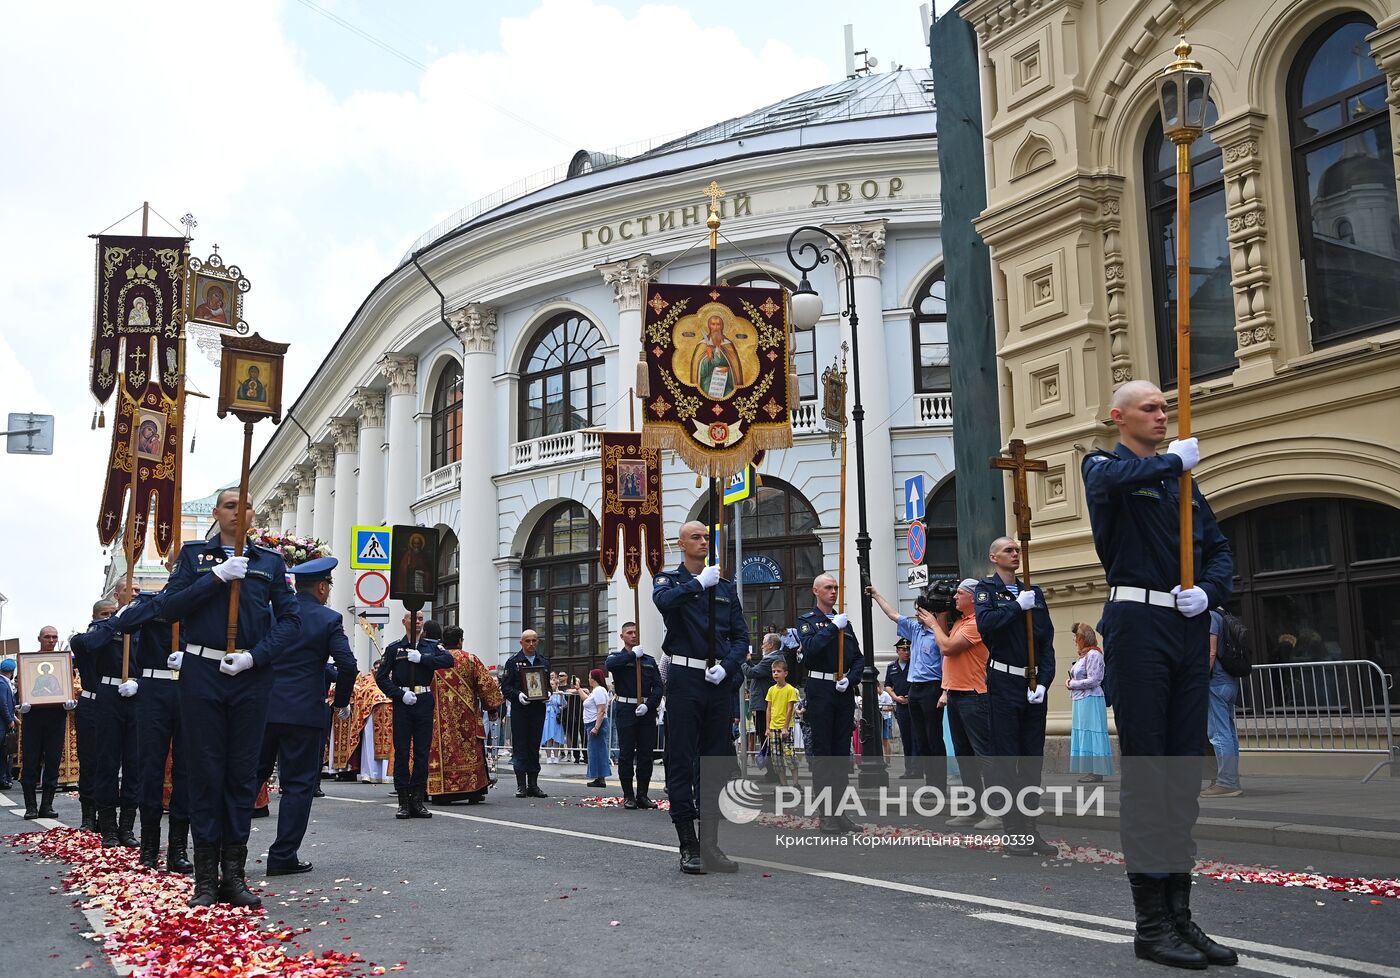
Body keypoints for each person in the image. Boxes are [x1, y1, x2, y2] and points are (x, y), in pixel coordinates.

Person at [1082, 379, 1237, 968]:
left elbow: (1220, 549)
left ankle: (1180, 915)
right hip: (1137, 628)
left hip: (1186, 626)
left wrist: (1210, 592)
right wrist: (1173, 460)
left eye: (1165, 407)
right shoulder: (1105, 466)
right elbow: (1109, 483)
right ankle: (1151, 925)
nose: (1162, 414)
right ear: (1119, 417)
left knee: (1180, 777)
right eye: (1150, 408)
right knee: (1150, 777)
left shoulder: (1183, 485)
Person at [103, 488, 300, 907]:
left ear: (252, 512)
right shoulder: (194, 558)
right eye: (229, 506)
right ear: (216, 513)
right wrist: (216, 578)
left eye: (244, 505)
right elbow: (169, 608)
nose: (237, 512)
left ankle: (234, 874)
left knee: (242, 775)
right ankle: (205, 878)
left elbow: (291, 621)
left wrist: (255, 656)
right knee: (205, 772)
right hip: (202, 673)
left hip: (250, 674)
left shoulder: (269, 561)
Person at [653, 520, 748, 874]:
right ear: (681, 544)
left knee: (714, 764)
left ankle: (710, 844)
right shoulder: (670, 580)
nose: (703, 541)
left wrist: (727, 666)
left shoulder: (724, 587)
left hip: (716, 680)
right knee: (680, 759)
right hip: (683, 678)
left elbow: (741, 637)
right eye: (696, 537)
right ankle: (687, 845)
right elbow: (663, 603)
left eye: (706, 536)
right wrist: (696, 584)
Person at [256, 557, 357, 875]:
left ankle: (225, 851)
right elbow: (348, 666)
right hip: (304, 712)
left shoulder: (270, 613)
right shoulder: (329, 619)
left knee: (248, 779)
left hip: (263, 709)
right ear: (323, 587)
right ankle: (283, 855)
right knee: (298, 785)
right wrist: (340, 703)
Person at [973, 538, 1057, 856]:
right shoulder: (987, 590)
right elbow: (987, 625)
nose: (1015, 554)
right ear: (993, 556)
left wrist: (1044, 682)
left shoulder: (1033, 592)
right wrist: (1015, 606)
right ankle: (1013, 831)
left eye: (1017, 550)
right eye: (1009, 550)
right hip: (1004, 681)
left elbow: (1046, 641)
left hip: (1032, 684)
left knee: (1032, 761)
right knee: (1007, 760)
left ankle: (1031, 830)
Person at [70, 581, 146, 850]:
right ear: (117, 595)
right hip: (108, 696)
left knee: (134, 766)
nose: (136, 594)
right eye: (131, 589)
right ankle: (109, 828)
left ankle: (127, 827)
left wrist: (141, 683)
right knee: (107, 764)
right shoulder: (105, 626)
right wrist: (118, 620)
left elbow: (154, 661)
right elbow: (87, 644)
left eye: (138, 590)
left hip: (136, 694)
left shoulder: (144, 625)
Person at [788, 573, 862, 833]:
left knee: (842, 755)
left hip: (842, 690)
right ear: (816, 591)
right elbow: (810, 650)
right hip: (819, 689)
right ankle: (826, 814)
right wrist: (832, 628)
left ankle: (840, 812)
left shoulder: (846, 624)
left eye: (836, 588)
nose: (833, 592)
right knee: (823, 754)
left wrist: (850, 679)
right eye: (828, 588)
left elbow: (859, 660)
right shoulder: (808, 622)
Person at [927, 580, 994, 829]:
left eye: (959, 594)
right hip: (956, 694)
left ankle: (997, 811)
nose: (954, 597)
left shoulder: (977, 623)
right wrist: (941, 618)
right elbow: (944, 641)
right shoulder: (961, 622)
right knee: (964, 755)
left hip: (974, 695)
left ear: (974, 598)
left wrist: (933, 623)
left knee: (984, 755)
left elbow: (946, 648)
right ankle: (974, 808)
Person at [867, 584, 946, 793]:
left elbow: (946, 663)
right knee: (921, 737)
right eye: (917, 611)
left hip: (932, 688)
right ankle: (930, 783)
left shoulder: (939, 634)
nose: (917, 615)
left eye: (922, 611)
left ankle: (940, 783)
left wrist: (945, 691)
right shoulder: (915, 630)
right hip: (915, 690)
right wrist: (876, 595)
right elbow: (893, 614)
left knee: (934, 737)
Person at [376, 612, 455, 819]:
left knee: (422, 751)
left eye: (420, 619)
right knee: (402, 751)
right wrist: (399, 694)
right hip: (404, 702)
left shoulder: (430, 646)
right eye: (413, 618)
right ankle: (403, 801)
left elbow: (448, 660)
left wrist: (423, 659)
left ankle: (418, 800)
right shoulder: (395, 648)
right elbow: (381, 678)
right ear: (404, 622)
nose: (417, 622)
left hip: (423, 700)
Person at [425, 624, 503, 804]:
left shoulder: (434, 659)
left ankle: (441, 792)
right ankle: (473, 790)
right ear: (460, 641)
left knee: (440, 750)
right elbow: (486, 686)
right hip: (466, 716)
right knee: (470, 751)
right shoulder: (470, 660)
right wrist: (492, 709)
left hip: (438, 716)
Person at [17, 627, 77, 820]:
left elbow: (65, 687)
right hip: (33, 717)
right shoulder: (29, 664)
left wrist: (69, 699)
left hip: (56, 717)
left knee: (52, 761)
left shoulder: (62, 665)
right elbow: (27, 688)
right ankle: (31, 807)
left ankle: (47, 806)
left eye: (54, 637)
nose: (51, 640)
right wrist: (23, 701)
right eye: (47, 637)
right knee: (31, 761)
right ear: (39, 638)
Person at [604, 622, 663, 808]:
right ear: (622, 637)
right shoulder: (618, 657)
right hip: (626, 709)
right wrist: (631, 655)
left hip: (645, 710)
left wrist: (649, 705)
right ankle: (628, 795)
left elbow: (659, 686)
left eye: (636, 632)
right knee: (626, 753)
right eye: (629, 633)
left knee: (646, 754)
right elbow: (609, 665)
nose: (633, 635)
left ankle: (643, 795)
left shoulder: (648, 660)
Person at [71, 601, 113, 832]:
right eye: (103, 614)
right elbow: (86, 645)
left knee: (110, 762)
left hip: (113, 703)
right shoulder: (83, 639)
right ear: (94, 616)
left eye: (112, 614)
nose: (108, 618)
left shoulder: (119, 639)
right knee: (89, 762)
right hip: (90, 702)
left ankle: (109, 815)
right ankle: (88, 815)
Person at [499, 630, 550, 798]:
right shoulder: (513, 662)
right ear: (521, 643)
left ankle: (533, 784)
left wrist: (548, 694)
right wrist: (518, 695)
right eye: (527, 641)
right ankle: (521, 784)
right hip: (520, 710)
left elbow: (547, 685)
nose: (531, 644)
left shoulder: (543, 662)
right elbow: (506, 687)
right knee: (520, 745)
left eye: (534, 640)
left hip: (537, 709)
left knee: (534, 745)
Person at [1201, 610, 1243, 798]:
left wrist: (1199, 679)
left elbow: (1211, 651)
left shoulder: (1209, 616)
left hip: (1215, 682)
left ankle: (1227, 782)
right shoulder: (1223, 614)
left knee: (1218, 734)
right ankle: (1231, 779)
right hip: (1228, 681)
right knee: (1228, 733)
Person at [1066, 622, 1113, 784]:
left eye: (1076, 637)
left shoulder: (1094, 655)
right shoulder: (1084, 656)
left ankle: (1097, 771)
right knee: (1085, 732)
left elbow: (1095, 680)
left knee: (1093, 732)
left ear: (1082, 638)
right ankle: (1091, 769)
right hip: (1081, 699)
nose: (1074, 640)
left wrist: (1072, 684)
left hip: (1091, 699)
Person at [884, 638, 917, 778]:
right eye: (903, 650)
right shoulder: (892, 667)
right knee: (906, 738)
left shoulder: (915, 665)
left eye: (908, 649)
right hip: (900, 705)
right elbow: (888, 685)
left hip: (914, 704)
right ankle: (909, 769)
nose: (906, 652)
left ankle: (918, 769)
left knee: (916, 737)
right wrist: (895, 697)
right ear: (897, 651)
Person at [690, 312, 744, 398]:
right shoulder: (703, 345)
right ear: (709, 326)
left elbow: (736, 369)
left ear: (722, 326)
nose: (715, 328)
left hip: (725, 382)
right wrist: (708, 358)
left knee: (729, 393)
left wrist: (728, 369)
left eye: (718, 325)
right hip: (708, 382)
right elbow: (700, 373)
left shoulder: (728, 344)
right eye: (713, 324)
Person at [764, 658, 799, 782]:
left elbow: (790, 709)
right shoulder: (771, 690)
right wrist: (767, 727)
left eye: (778, 671)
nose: (775, 674)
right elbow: (769, 709)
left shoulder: (790, 689)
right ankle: (783, 784)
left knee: (789, 756)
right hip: (773, 728)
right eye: (773, 671)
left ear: (785, 673)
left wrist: (785, 727)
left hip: (785, 727)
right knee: (777, 759)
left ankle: (796, 783)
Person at [582, 669, 612, 788]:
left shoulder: (599, 690)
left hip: (596, 723)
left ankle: (600, 777)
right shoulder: (596, 691)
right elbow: (588, 701)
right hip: (593, 723)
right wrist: (579, 689)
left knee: (597, 751)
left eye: (589, 677)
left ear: (594, 678)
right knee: (595, 751)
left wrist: (596, 727)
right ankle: (599, 777)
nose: (588, 679)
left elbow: (601, 710)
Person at [542, 676, 565, 764]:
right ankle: (548, 757)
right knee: (548, 737)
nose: (551, 686)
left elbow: (563, 704)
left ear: (556, 685)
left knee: (556, 737)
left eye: (552, 684)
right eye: (550, 684)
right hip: (547, 717)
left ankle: (555, 756)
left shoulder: (558, 694)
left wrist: (561, 696)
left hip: (555, 717)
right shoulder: (547, 693)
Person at [0, 658, 15, 789]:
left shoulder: (4, 683)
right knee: (3, 753)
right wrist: (9, 720)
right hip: (2, 725)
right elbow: (3, 704)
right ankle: (2, 779)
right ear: (12, 671)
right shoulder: (2, 684)